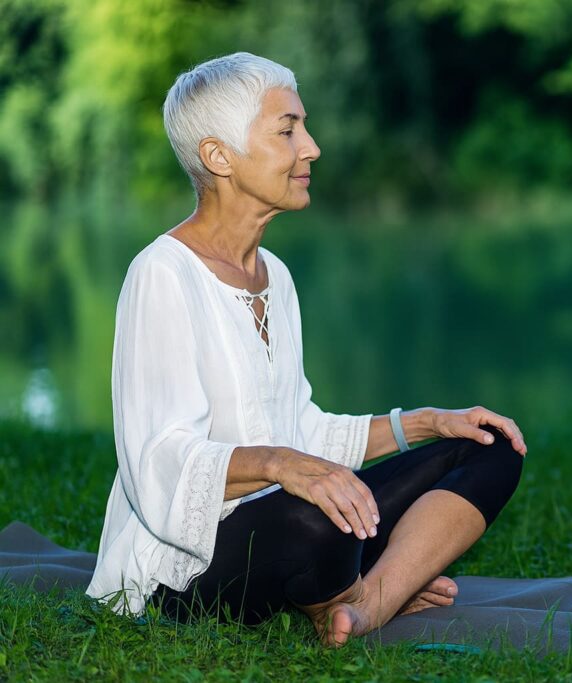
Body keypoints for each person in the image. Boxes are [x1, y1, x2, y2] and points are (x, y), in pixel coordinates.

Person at [85, 52, 526, 646]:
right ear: (220, 157)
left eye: (305, 127)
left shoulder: (276, 276)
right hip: (185, 572)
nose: (311, 147)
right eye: (287, 130)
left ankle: (369, 600)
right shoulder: (162, 273)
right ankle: (367, 583)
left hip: (288, 519)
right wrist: (279, 464)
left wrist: (425, 424)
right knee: (320, 519)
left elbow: (303, 430)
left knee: (485, 445)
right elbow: (159, 462)